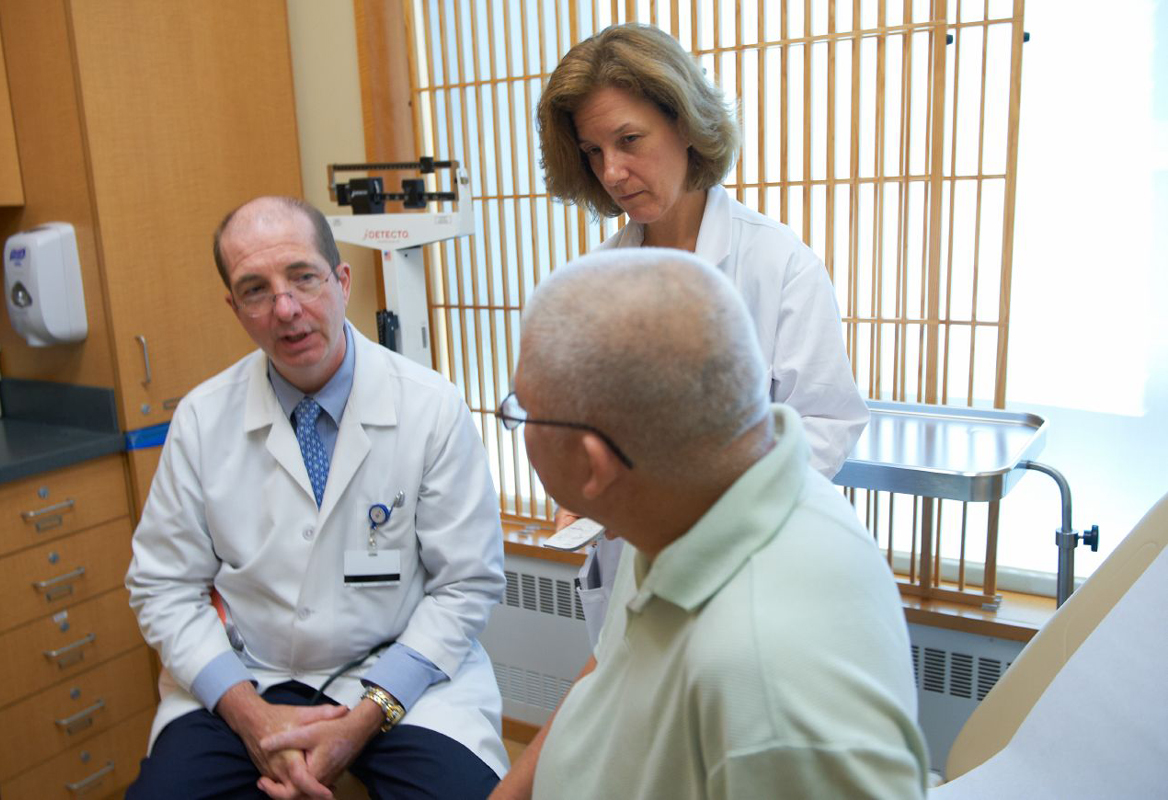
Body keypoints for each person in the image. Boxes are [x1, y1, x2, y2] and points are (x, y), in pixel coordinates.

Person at [501, 248, 928, 799]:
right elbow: (609, 670)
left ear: (594, 465)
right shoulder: (685, 499)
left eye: (522, 411)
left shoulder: (770, 690)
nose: (520, 422)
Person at [125, 196, 507, 799]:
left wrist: (364, 718)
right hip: (250, 675)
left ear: (341, 280)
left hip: (397, 678)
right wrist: (251, 716)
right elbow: (162, 585)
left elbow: (466, 585)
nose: (286, 309)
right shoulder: (202, 418)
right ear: (235, 309)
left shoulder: (431, 408)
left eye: (303, 277)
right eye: (256, 290)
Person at [534, 21, 870, 645]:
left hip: (744, 569)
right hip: (630, 567)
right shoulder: (597, 278)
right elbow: (579, 426)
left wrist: (705, 511)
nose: (612, 171)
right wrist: (581, 496)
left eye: (629, 140)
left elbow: (825, 424)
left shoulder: (778, 264)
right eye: (593, 151)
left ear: (685, 124)